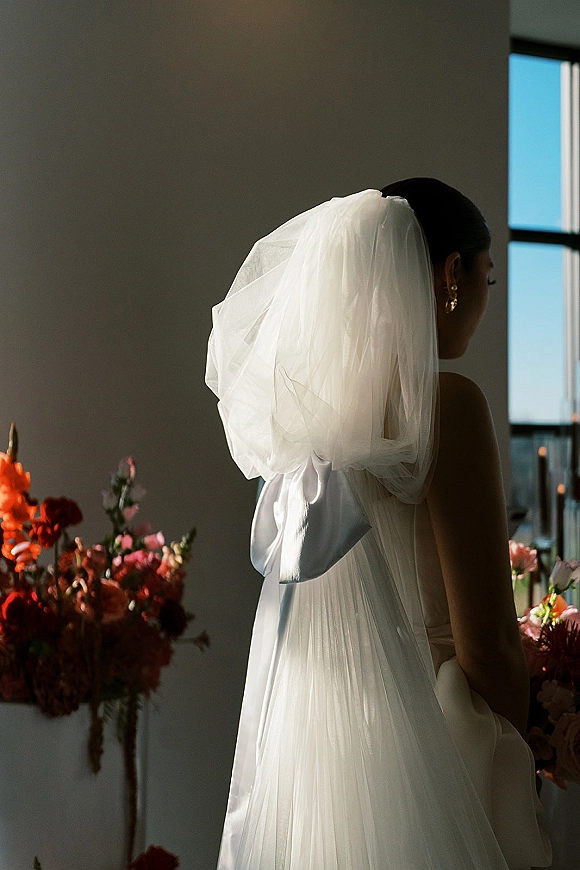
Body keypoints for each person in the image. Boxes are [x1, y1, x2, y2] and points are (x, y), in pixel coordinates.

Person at [206, 180, 552, 869]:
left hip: (336, 757)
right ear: (452, 275)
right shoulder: (447, 406)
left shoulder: (316, 430)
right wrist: (537, 727)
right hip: (447, 748)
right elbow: (487, 647)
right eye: (488, 276)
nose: (487, 297)